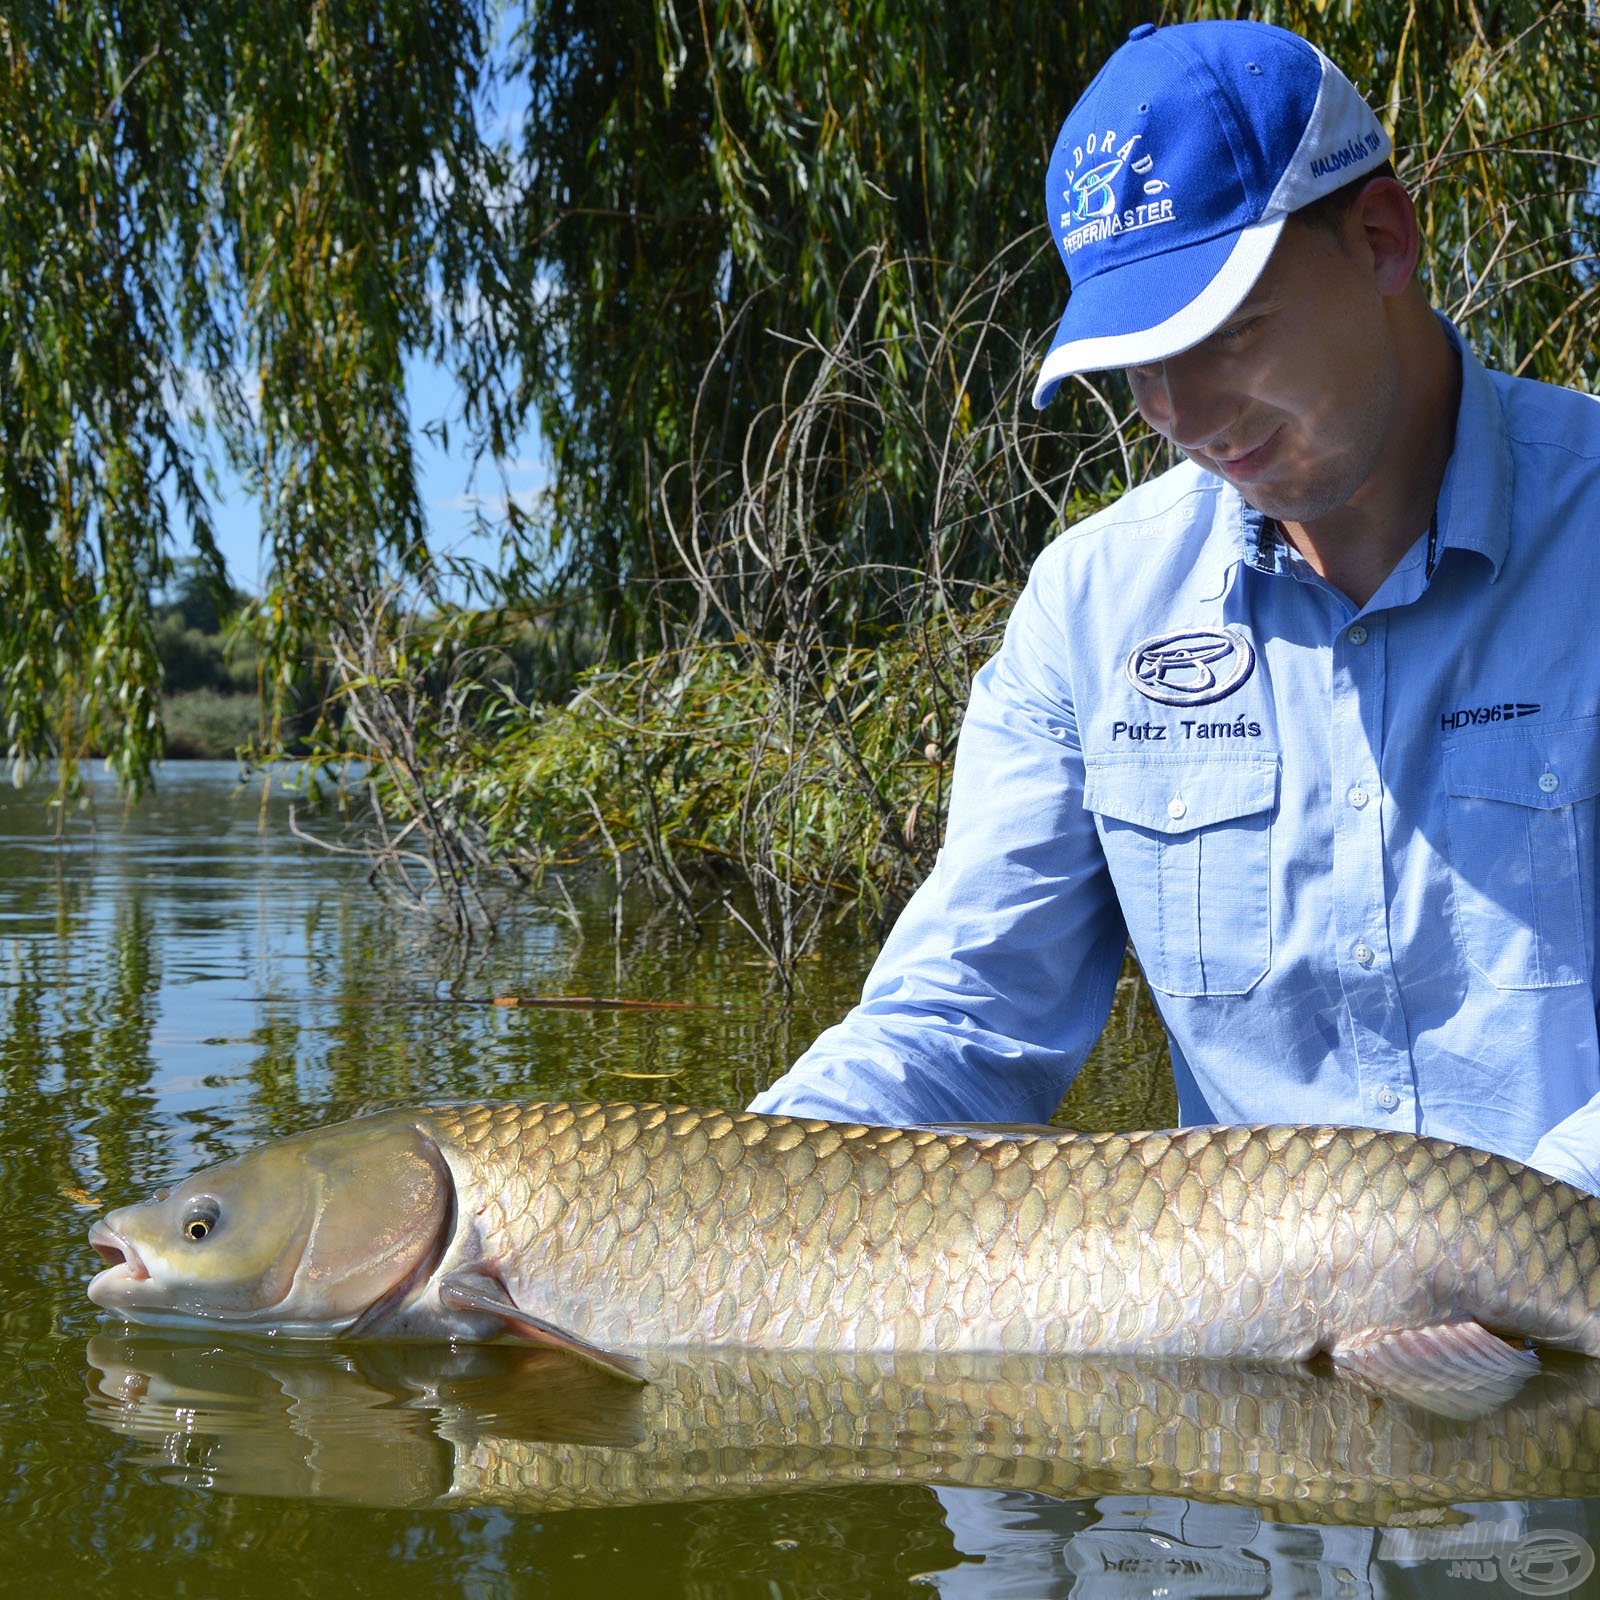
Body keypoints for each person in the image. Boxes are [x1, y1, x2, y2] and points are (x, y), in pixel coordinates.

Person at [749, 18, 1600, 1196]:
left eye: (1229, 328)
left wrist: (1487, 1249)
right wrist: (720, 1203)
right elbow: (959, 1025)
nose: (1184, 412)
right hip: (1245, 1357)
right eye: (1137, 359)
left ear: (1381, 237)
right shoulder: (1090, 609)